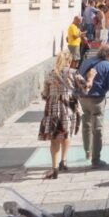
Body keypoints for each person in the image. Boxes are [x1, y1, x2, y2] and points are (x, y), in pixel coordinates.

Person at [38, 50, 82, 179]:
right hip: (68, 107)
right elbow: (85, 87)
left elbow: (44, 94)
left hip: (53, 109)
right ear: (69, 61)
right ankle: (64, 161)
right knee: (66, 133)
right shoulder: (74, 73)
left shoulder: (50, 74)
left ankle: (54, 168)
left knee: (55, 137)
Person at [79, 45, 109, 168]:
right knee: (97, 128)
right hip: (97, 99)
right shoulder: (107, 65)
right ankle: (96, 159)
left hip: (83, 97)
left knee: (86, 124)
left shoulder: (87, 61)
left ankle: (87, 152)